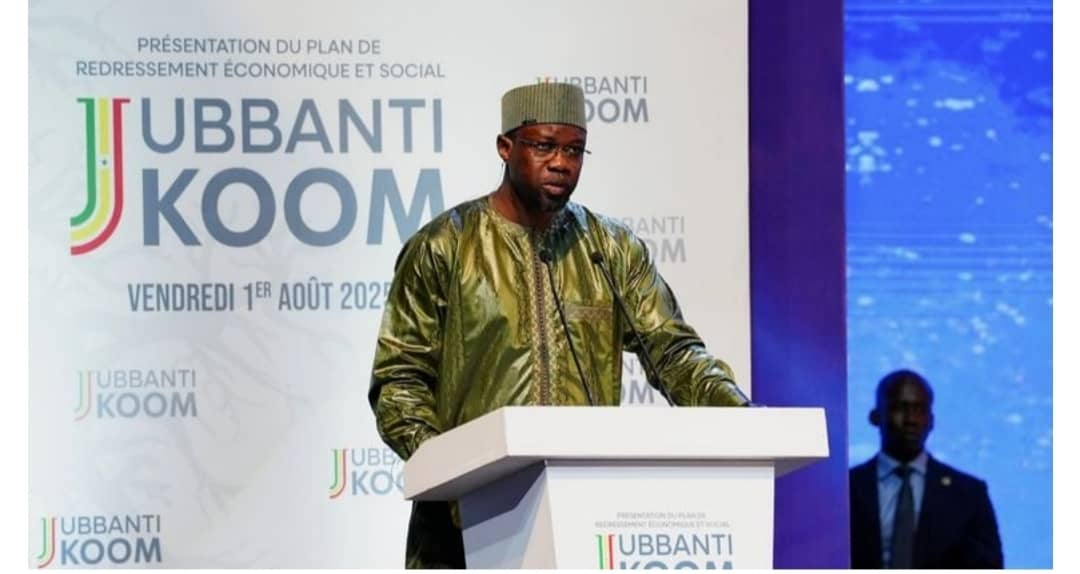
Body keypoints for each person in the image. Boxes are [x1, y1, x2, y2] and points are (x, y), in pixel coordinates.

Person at [368, 82, 752, 569]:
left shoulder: (610, 248)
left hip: (586, 518)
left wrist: (742, 416)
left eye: (574, 150)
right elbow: (399, 381)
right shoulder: (445, 245)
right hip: (463, 527)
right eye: (544, 146)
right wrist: (453, 473)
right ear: (505, 147)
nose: (561, 163)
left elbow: (673, 354)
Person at [849, 369, 1003, 569]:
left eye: (920, 410)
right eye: (900, 408)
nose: (911, 420)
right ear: (875, 417)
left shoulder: (968, 495)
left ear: (931, 421)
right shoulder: (846, 489)